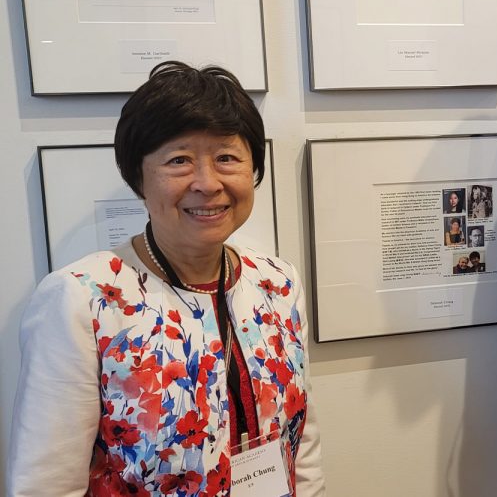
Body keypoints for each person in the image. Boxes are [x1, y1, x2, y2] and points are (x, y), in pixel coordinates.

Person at [7, 61, 326, 496]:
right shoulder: (84, 300)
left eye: (227, 157)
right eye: (179, 160)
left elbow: (301, 444)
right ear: (138, 176)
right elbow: (44, 485)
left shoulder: (277, 282)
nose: (207, 183)